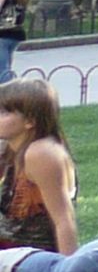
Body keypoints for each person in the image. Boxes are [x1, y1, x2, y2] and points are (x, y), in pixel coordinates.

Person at [0, 77, 80, 255]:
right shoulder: (12, 145)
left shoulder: (42, 153)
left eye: (4, 113)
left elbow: (63, 219)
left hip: (33, 257)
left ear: (30, 122)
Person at [0, 0, 29, 85]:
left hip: (2, 31)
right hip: (15, 32)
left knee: (2, 72)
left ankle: (7, 99)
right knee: (6, 67)